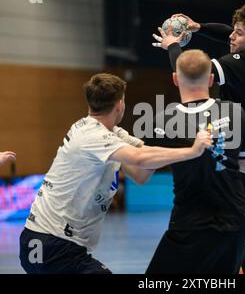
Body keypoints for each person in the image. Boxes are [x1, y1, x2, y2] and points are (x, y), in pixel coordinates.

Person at [19, 73, 211, 274]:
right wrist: (192, 151)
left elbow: (140, 174)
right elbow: (140, 158)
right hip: (54, 244)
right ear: (120, 104)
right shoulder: (92, 136)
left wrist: (166, 138)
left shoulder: (109, 133)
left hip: (47, 242)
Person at [152, 4, 245, 274]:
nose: (232, 36)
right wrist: (199, 27)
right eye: (233, 30)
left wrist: (172, 45)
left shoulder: (242, 65)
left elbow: (191, 74)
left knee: (233, 244)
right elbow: (226, 35)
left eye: (239, 33)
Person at [144, 50, 245, 274]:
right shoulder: (235, 113)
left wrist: (119, 147)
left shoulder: (163, 121)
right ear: (211, 79)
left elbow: (140, 175)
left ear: (175, 79)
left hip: (190, 225)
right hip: (235, 221)